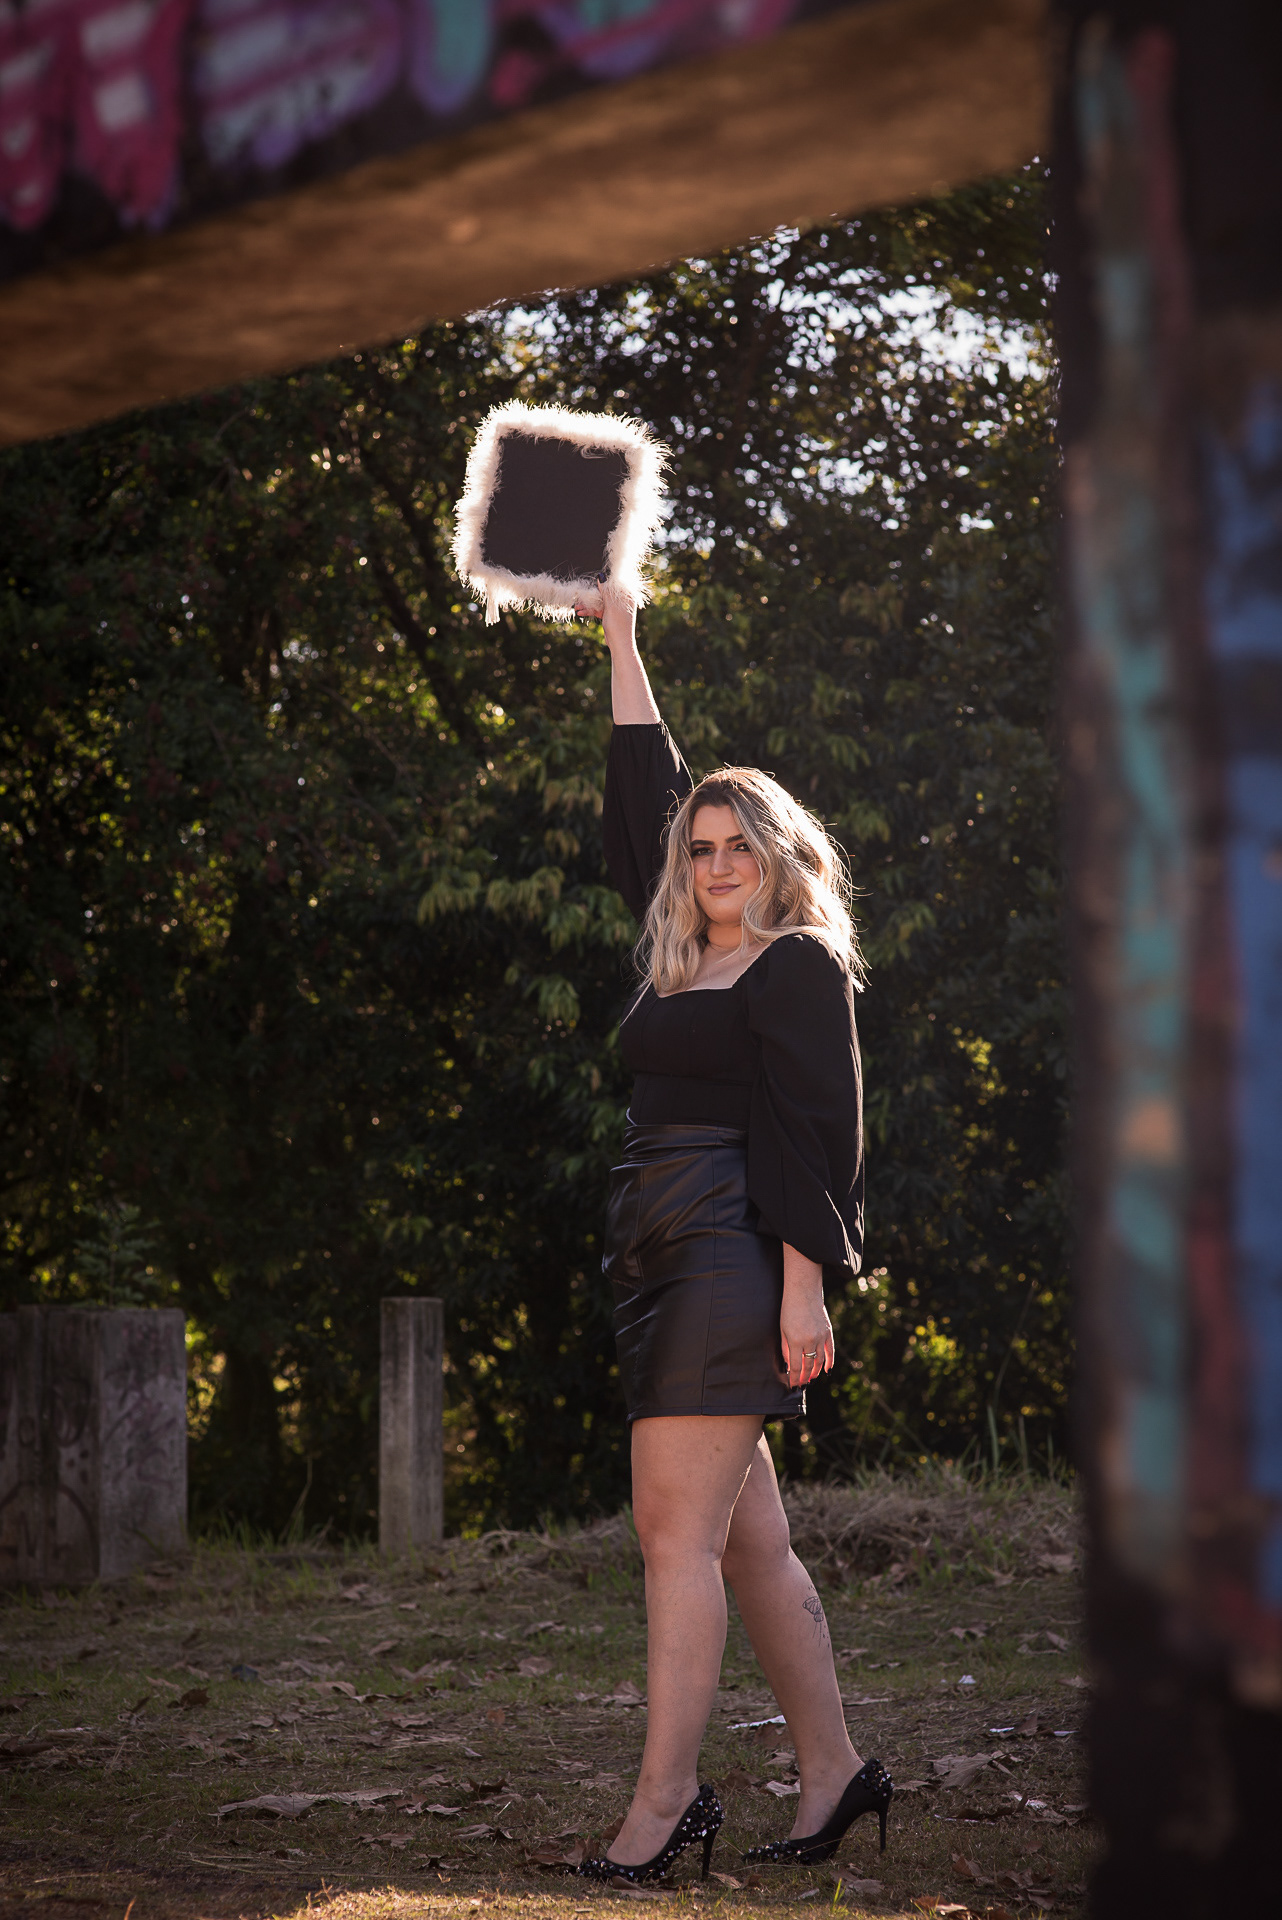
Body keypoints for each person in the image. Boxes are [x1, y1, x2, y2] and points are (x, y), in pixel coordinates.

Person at [575, 588, 893, 1887]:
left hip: (731, 1242)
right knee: (748, 1541)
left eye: (737, 847)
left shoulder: (795, 963)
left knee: (673, 1535)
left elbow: (818, 1134)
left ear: (777, 857)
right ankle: (834, 1773)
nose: (714, 864)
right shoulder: (677, 952)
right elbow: (642, 791)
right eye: (699, 848)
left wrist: (803, 1291)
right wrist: (621, 641)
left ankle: (664, 1807)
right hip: (657, 1245)